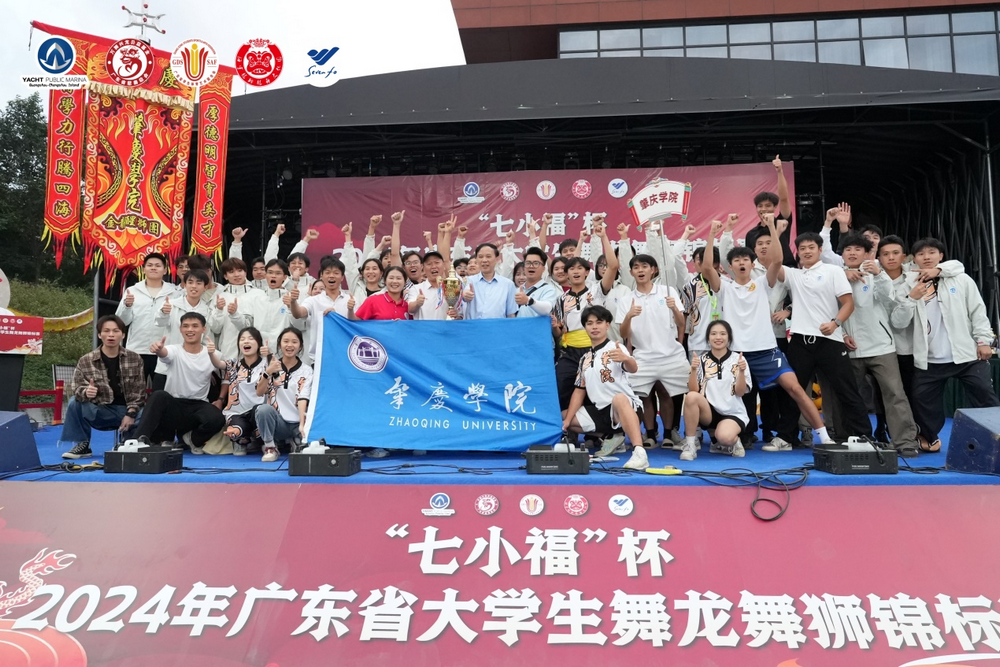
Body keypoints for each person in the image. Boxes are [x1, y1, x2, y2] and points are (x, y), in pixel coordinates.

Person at [703, 217, 836, 450]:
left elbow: (777, 260)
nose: (742, 263)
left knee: (795, 389)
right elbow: (706, 268)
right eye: (737, 260)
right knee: (732, 397)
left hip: (766, 352)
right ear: (730, 266)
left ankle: (824, 437)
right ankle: (729, 438)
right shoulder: (724, 287)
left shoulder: (763, 283)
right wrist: (712, 233)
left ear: (752, 264)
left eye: (746, 259)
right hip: (737, 355)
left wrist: (773, 227)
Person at [891, 238, 999, 452]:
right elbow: (898, 322)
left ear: (941, 256)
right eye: (921, 254)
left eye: (932, 252)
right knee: (921, 400)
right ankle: (928, 437)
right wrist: (911, 298)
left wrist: (984, 341)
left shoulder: (961, 279)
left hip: (966, 355)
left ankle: (995, 436)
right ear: (914, 259)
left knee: (984, 395)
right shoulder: (908, 285)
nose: (927, 257)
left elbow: (977, 311)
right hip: (929, 358)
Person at [770, 222, 874, 440]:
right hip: (800, 341)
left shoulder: (833, 271)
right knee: (793, 390)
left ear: (819, 250)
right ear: (798, 252)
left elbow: (848, 304)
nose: (807, 251)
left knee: (847, 390)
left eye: (811, 247)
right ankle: (786, 437)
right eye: (802, 248)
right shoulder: (793, 275)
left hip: (830, 340)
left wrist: (835, 323)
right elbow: (775, 261)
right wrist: (774, 230)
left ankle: (864, 436)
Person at [835, 233, 921, 456]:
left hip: (882, 347)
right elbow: (827, 309)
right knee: (849, 396)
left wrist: (879, 275)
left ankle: (905, 442)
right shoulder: (834, 276)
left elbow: (889, 301)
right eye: (848, 249)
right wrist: (842, 334)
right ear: (842, 254)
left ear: (867, 254)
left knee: (895, 394)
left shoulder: (878, 274)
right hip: (850, 348)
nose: (852, 253)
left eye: (858, 249)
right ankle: (848, 438)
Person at [562, 306, 649, 471]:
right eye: (589, 323)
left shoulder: (616, 348)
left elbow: (633, 368)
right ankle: (612, 436)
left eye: (599, 322)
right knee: (565, 417)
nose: (594, 327)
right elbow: (579, 391)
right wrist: (567, 421)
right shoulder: (585, 358)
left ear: (607, 325)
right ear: (585, 327)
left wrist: (626, 358)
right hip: (601, 411)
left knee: (619, 398)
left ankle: (639, 452)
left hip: (625, 407)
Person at [616, 254, 689, 449]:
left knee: (665, 393)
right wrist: (629, 316)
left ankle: (668, 434)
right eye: (636, 267)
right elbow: (623, 333)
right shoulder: (626, 299)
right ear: (631, 272)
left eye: (644, 266)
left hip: (669, 354)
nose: (640, 270)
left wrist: (674, 309)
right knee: (644, 396)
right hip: (642, 356)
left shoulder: (667, 292)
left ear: (653, 270)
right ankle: (649, 434)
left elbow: (681, 323)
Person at [134, 312, 227, 451]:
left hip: (199, 405)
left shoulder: (214, 353)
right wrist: (159, 350)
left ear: (204, 329)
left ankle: (192, 439)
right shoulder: (174, 349)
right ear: (180, 329)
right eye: (186, 326)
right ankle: (137, 441)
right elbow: (165, 354)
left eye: (195, 326)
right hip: (174, 405)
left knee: (217, 418)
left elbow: (227, 375)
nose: (190, 330)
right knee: (159, 395)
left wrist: (220, 399)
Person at [61, 315, 146, 459]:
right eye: (106, 331)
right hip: (100, 410)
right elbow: (76, 388)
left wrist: (130, 414)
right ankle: (83, 444)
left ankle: (127, 443)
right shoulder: (86, 360)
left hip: (126, 410)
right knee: (74, 402)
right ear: (100, 335)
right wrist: (86, 392)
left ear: (123, 335)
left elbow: (139, 392)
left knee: (146, 412)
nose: (111, 335)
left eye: (116, 331)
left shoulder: (134, 358)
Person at [680, 320, 751, 460]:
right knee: (691, 397)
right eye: (713, 334)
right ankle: (690, 445)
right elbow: (693, 391)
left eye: (723, 334)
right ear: (708, 338)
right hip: (709, 412)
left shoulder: (738, 359)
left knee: (725, 437)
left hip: (732, 412)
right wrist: (693, 370)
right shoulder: (701, 360)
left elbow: (740, 392)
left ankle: (730, 441)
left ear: (729, 337)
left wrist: (742, 372)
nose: (718, 337)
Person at [116, 253, 178, 382]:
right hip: (137, 349)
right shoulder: (132, 291)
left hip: (164, 350)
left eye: (157, 265)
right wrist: (127, 306)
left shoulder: (175, 293)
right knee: (134, 389)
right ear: (143, 269)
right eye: (150, 265)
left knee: (162, 390)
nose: (153, 268)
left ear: (165, 270)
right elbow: (122, 322)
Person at [256, 327, 313, 462]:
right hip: (279, 423)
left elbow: (303, 397)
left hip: (298, 423)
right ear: (279, 344)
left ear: (300, 346)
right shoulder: (270, 365)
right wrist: (268, 373)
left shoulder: (307, 370)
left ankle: (295, 440)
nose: (289, 345)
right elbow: (259, 392)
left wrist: (302, 425)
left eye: (294, 342)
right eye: (286, 341)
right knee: (262, 410)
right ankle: (270, 447)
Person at [152, 269, 213, 391]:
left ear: (205, 287)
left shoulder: (207, 310)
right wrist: (163, 312)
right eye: (190, 282)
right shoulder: (171, 304)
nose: (194, 286)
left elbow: (207, 339)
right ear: (184, 285)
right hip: (168, 362)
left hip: (192, 367)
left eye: (199, 283)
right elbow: (159, 323)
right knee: (160, 398)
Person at [289, 256, 355, 363]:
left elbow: (357, 324)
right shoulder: (313, 300)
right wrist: (293, 301)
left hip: (346, 356)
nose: (331, 276)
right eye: (327, 272)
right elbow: (298, 313)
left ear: (342, 277)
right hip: (319, 358)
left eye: (336, 273)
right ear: (321, 276)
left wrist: (348, 311)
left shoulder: (351, 300)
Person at [221, 327, 270, 455]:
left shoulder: (267, 363)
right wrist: (210, 353)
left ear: (259, 343)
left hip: (258, 410)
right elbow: (218, 364)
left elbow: (277, 373)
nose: (246, 341)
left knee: (261, 414)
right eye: (242, 339)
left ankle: (263, 441)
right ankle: (241, 441)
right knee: (236, 430)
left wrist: (269, 356)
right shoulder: (233, 364)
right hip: (237, 411)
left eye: (250, 339)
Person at [744, 155, 796, 267]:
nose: (764, 209)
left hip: (786, 269)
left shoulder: (782, 223)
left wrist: (779, 171)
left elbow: (784, 198)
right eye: (760, 206)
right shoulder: (751, 234)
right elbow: (749, 259)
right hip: (762, 273)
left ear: (775, 207)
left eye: (768, 206)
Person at [210, 258, 259, 361]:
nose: (237, 275)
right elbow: (215, 329)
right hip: (228, 351)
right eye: (231, 272)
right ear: (225, 276)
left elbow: (256, 326)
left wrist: (234, 314)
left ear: (245, 272)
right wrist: (219, 310)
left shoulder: (258, 295)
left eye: (240, 270)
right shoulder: (220, 296)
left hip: (253, 353)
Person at [461, 243, 518, 319]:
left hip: (497, 326)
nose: (484, 260)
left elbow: (511, 315)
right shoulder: (468, 281)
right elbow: (460, 302)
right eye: (480, 257)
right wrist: (464, 295)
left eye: (488, 256)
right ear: (477, 259)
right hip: (473, 326)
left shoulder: (508, 284)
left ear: (497, 259)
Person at [515, 247, 559, 318]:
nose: (531, 266)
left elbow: (547, 309)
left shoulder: (549, 289)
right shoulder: (517, 290)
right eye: (528, 263)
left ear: (543, 269)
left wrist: (528, 300)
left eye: (536, 263)